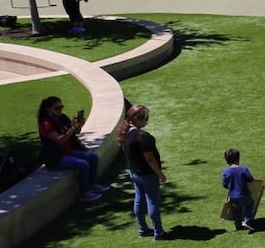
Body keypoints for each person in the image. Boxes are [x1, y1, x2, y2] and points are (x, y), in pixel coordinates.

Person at [37, 95, 107, 202]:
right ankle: (84, 193)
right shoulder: (46, 124)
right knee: (83, 164)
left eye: (61, 107)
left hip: (68, 151)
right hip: (55, 157)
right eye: (57, 108)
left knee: (93, 157)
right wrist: (72, 128)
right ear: (48, 109)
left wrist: (79, 125)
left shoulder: (62, 118)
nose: (60, 110)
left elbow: (76, 132)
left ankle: (93, 185)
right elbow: (59, 140)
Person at [118, 105, 169, 240]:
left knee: (139, 201)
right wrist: (160, 174)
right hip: (147, 175)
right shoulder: (142, 136)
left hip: (135, 174)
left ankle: (143, 229)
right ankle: (159, 233)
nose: (147, 120)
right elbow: (150, 159)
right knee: (152, 202)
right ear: (138, 120)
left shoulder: (126, 132)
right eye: (146, 118)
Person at [222, 148, 256, 232]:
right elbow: (250, 179)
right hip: (244, 194)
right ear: (238, 159)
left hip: (233, 196)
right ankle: (246, 220)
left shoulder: (226, 171)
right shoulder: (243, 169)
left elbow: (224, 184)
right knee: (250, 205)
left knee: (237, 210)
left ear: (227, 161)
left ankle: (237, 224)